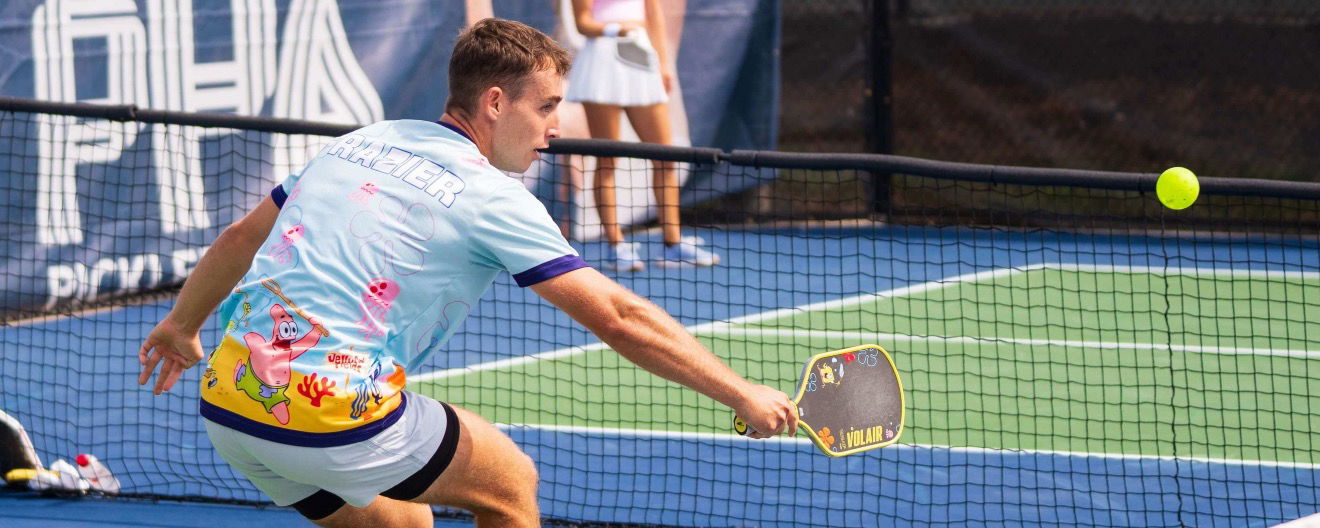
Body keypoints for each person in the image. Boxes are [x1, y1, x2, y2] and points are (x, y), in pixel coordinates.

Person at [136, 18, 798, 528]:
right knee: (510, 484)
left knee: (399, 519)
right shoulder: (493, 196)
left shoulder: (361, 141)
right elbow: (619, 317)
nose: (556, 126)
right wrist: (740, 393)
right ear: (493, 103)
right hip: (332, 412)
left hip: (229, 402)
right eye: (546, 107)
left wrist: (179, 326)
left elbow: (241, 237)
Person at [566, 0, 718, 271]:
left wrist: (663, 63)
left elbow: (654, 17)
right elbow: (583, 23)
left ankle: (673, 244)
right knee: (607, 160)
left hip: (641, 59)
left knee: (665, 157)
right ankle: (616, 246)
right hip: (602, 62)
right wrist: (617, 28)